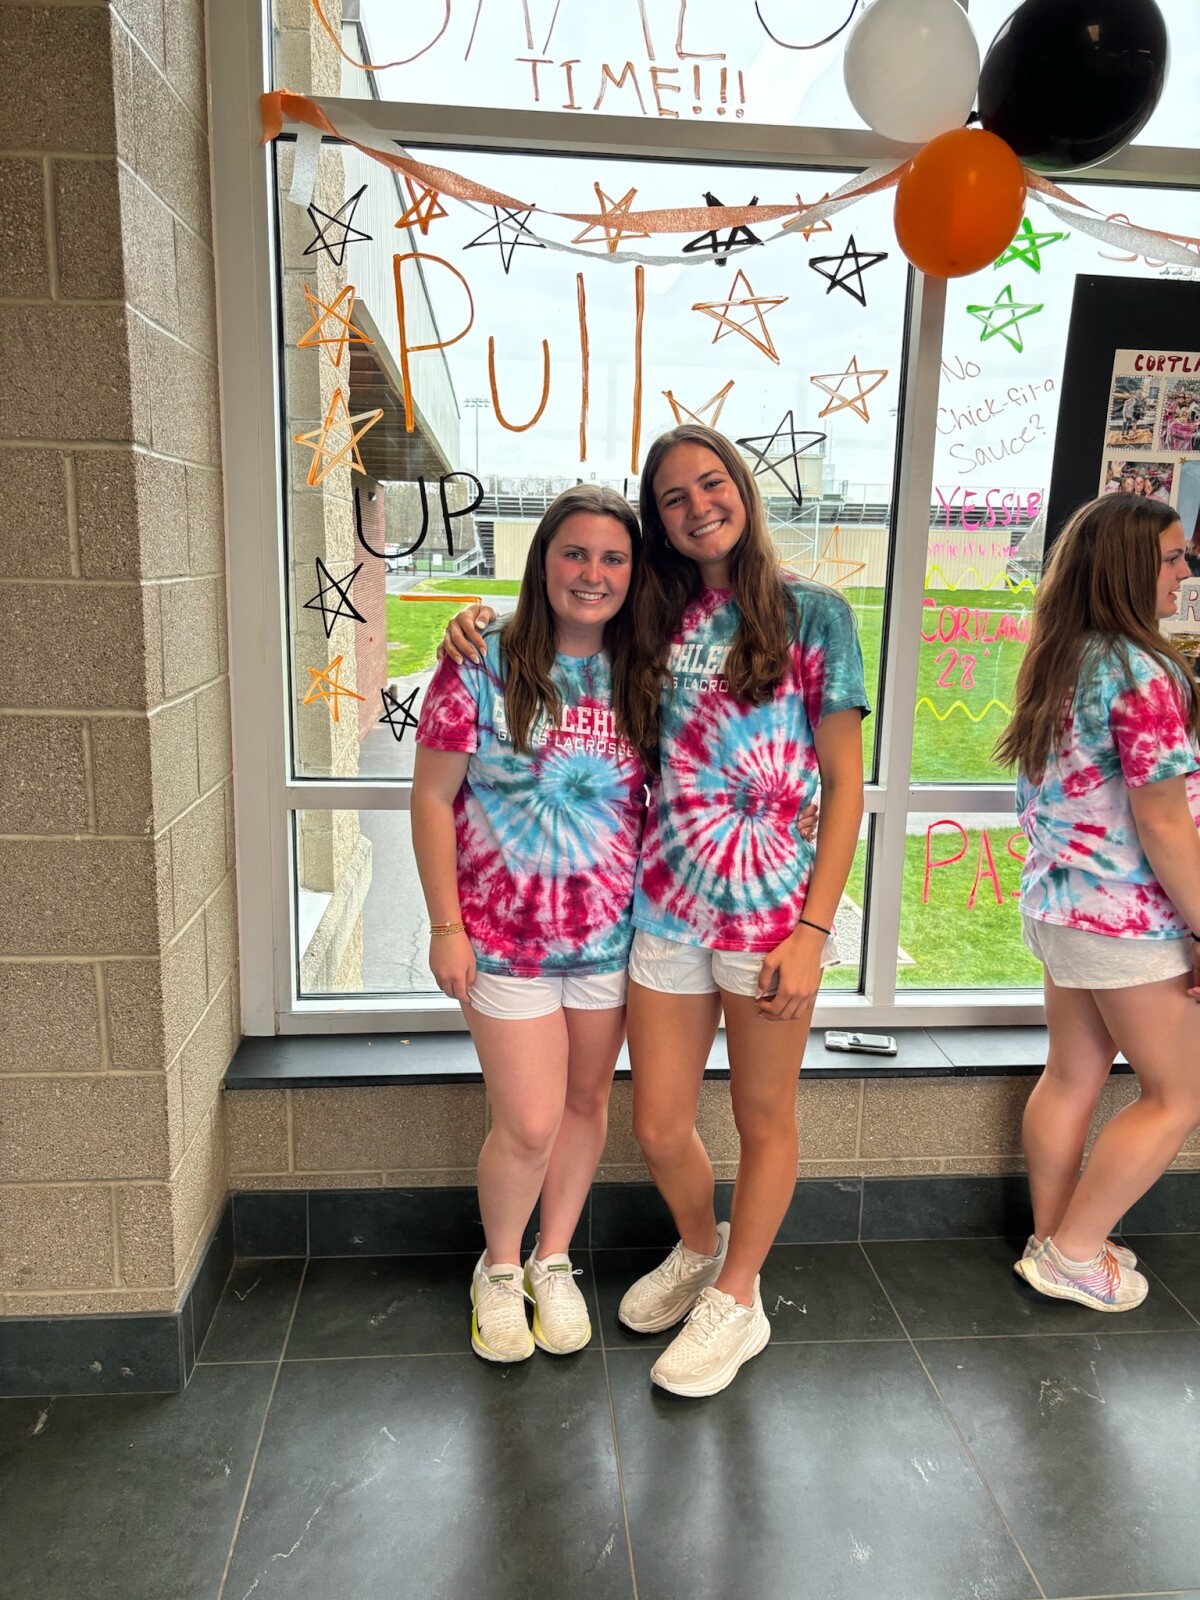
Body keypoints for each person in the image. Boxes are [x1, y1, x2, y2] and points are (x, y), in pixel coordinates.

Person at [446, 425, 867, 1394]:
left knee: (763, 1117)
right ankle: (701, 1247)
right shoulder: (654, 615)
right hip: (664, 910)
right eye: (673, 498)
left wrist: (814, 931)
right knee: (660, 1125)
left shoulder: (815, 615)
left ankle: (738, 1299)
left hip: (771, 918)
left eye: (711, 484)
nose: (697, 507)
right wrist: (472, 624)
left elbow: (845, 785)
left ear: (743, 489)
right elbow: (565, 616)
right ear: (658, 520)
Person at [411, 485, 653, 1363]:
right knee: (528, 1122)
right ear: (542, 561)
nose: (593, 573)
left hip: (609, 939)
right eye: (574, 553)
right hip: (503, 944)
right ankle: (500, 1268)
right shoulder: (481, 659)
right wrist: (445, 926)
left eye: (613, 558)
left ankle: (554, 1260)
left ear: (633, 573)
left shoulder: (645, 672)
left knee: (586, 1104)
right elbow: (431, 798)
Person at [996, 494, 1200, 1312]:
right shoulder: (1144, 673)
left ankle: (1053, 1243)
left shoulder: (1062, 656)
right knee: (1179, 1097)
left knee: (1071, 1075)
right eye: (1173, 557)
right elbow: (1164, 823)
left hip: (1061, 908)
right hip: (1127, 922)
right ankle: (1075, 1253)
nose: (1185, 571)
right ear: (1128, 568)